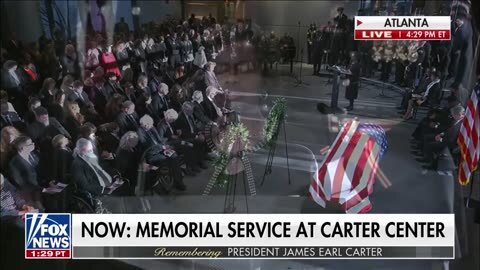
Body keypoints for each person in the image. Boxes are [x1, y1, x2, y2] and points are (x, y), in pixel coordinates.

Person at [137, 114, 185, 190]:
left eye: (152, 124)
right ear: (144, 125)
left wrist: (165, 147)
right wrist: (162, 147)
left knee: (174, 156)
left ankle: (178, 180)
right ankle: (176, 182)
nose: (152, 126)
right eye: (150, 125)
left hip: (161, 149)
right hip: (152, 155)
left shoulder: (151, 127)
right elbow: (148, 147)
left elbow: (159, 140)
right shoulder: (140, 132)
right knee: (169, 161)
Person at [420, 105, 465, 170]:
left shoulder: (462, 124)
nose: (452, 116)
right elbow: (448, 130)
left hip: (451, 144)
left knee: (430, 145)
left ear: (458, 114)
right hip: (446, 138)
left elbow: (453, 139)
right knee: (427, 137)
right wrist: (441, 134)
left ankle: (433, 166)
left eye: (453, 115)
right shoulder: (456, 120)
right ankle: (427, 158)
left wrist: (441, 139)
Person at [8, 136, 43, 206]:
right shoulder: (14, 163)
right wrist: (40, 188)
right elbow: (20, 183)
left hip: (42, 189)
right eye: (30, 144)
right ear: (23, 148)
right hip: (30, 195)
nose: (33, 144)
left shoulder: (33, 154)